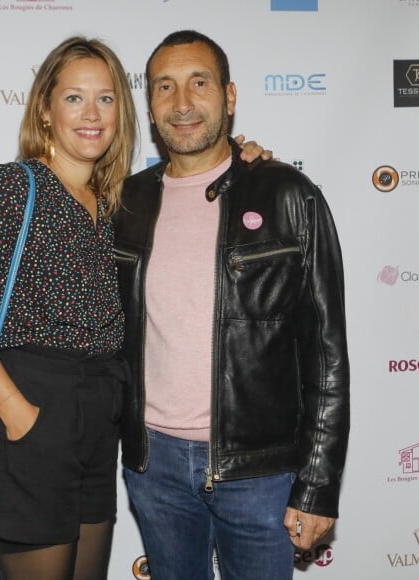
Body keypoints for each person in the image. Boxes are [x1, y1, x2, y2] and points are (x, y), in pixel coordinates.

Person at [0, 35, 268, 580]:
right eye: (74, 98)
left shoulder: (118, 204)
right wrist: (21, 416)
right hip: (27, 412)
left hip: (99, 421)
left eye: (106, 99)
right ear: (45, 110)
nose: (92, 114)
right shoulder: (12, 187)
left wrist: (247, 157)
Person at [113, 30, 350, 580]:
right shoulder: (127, 203)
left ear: (230, 95)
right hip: (154, 466)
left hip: (260, 472)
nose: (182, 103)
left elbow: (327, 354)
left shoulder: (289, 195)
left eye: (199, 82)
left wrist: (317, 484)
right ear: (149, 104)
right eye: (164, 86)